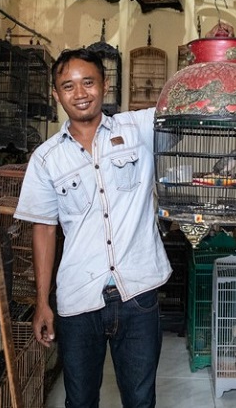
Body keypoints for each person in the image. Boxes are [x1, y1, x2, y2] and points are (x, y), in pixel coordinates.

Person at [14, 47, 172, 408]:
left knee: (140, 399)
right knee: (80, 400)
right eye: (68, 86)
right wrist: (42, 302)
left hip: (138, 294)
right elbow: (44, 229)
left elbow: (179, 109)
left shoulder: (138, 129)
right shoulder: (47, 159)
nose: (80, 93)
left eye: (88, 82)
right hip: (78, 299)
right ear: (56, 95)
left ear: (105, 85)